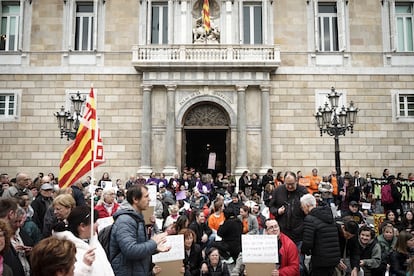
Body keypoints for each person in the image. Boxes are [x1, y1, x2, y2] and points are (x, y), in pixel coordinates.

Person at [109, 184, 170, 276]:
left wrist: (154, 248)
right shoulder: (125, 220)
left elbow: (139, 246)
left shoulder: (137, 218)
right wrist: (153, 243)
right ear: (135, 199)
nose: (149, 199)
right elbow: (130, 250)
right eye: (146, 196)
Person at [54, 205, 114, 275]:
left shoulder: (94, 241)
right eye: (94, 222)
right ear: (82, 226)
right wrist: (85, 266)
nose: (97, 224)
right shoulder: (69, 251)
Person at [300, 193, 340, 276]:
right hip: (333, 259)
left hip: (320, 260)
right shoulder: (329, 215)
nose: (302, 209)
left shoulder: (310, 218)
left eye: (302, 207)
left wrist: (304, 251)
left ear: (307, 206)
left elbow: (308, 242)